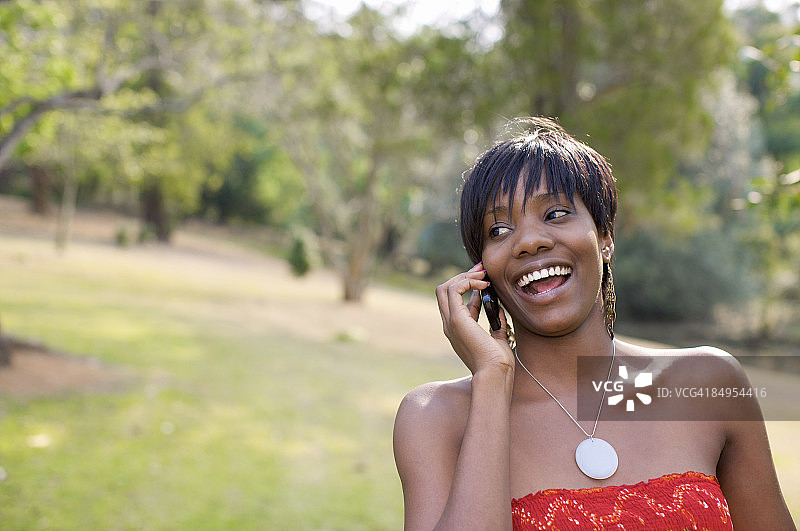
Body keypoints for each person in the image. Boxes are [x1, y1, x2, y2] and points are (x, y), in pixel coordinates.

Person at [393, 117, 795, 530]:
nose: (530, 241)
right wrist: (492, 380)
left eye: (555, 213)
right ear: (482, 270)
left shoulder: (709, 383)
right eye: (499, 229)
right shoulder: (436, 418)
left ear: (605, 236)